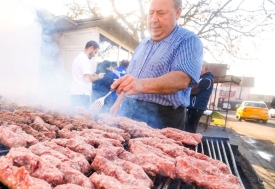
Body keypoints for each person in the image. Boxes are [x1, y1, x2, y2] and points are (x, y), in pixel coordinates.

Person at [110, 0, 203, 130]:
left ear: (177, 13)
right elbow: (130, 78)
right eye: (151, 13)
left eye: (160, 13)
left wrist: (140, 84)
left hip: (164, 119)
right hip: (131, 112)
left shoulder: (188, 40)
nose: (153, 19)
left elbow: (182, 79)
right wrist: (118, 103)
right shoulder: (143, 43)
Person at [70, 40, 105, 108]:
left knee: (75, 115)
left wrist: (92, 76)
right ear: (91, 48)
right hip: (81, 95)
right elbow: (87, 78)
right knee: (82, 117)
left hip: (76, 93)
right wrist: (98, 77)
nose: (94, 55)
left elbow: (83, 76)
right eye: (95, 52)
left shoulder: (79, 58)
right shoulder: (84, 59)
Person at [185, 61, 214, 133]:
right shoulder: (200, 78)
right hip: (192, 107)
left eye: (200, 67)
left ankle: (190, 143)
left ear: (204, 68)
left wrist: (184, 89)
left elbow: (195, 90)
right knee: (187, 128)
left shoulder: (207, 79)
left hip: (197, 108)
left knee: (190, 129)